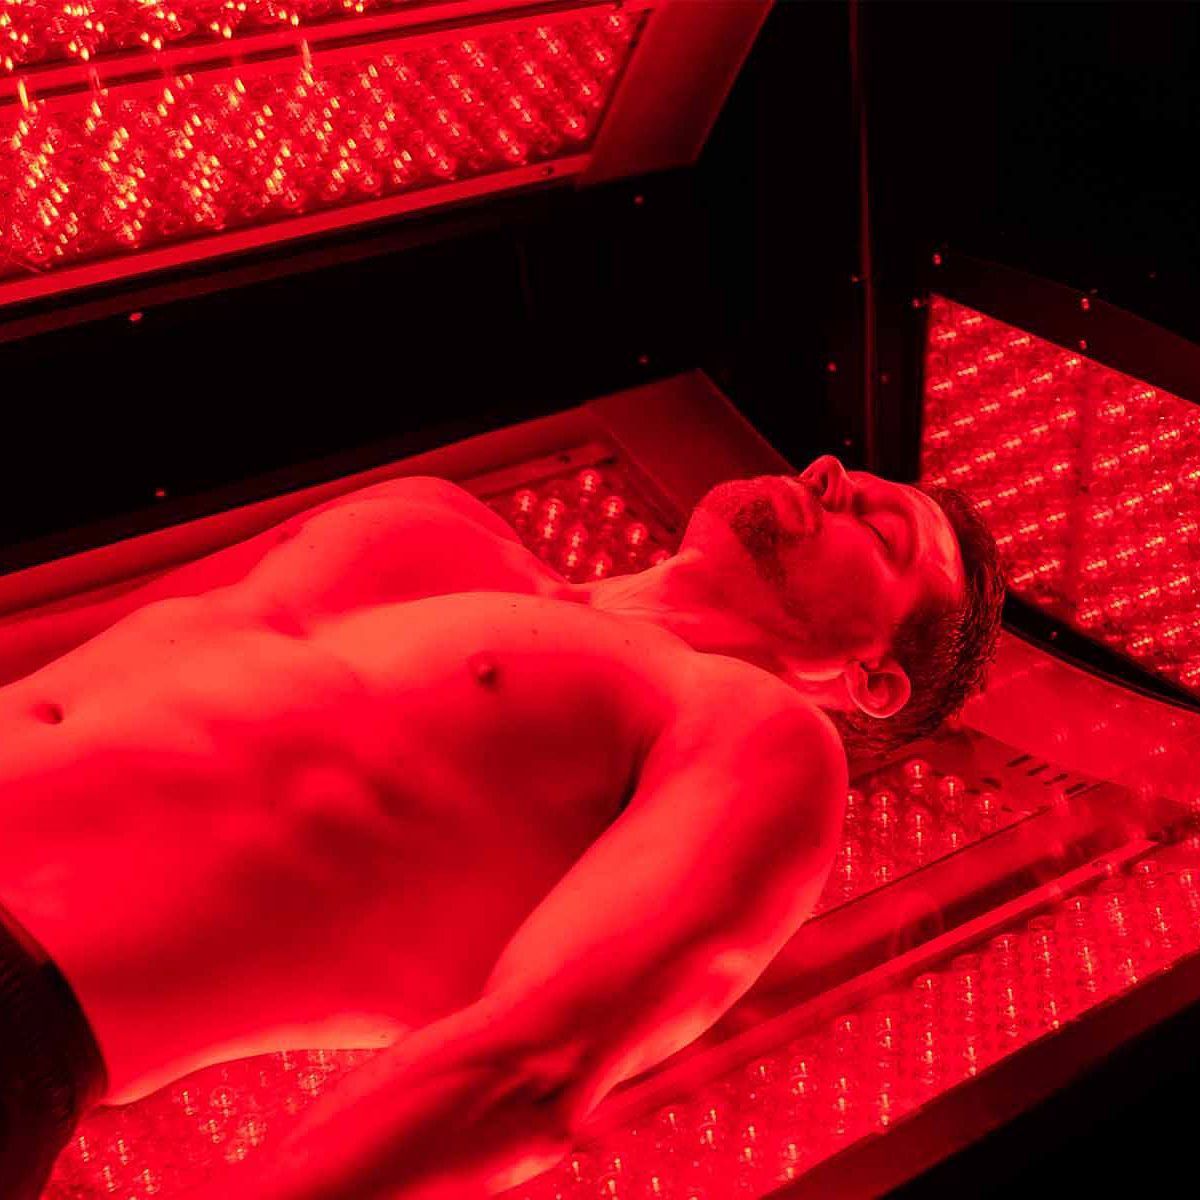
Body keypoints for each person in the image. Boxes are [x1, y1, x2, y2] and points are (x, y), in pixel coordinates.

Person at [0, 455, 1004, 1199]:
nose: (828, 476)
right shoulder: (432, 522)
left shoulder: (751, 732)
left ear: (874, 678)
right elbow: (93, 628)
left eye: (880, 529)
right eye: (842, 475)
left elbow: (526, 1066)